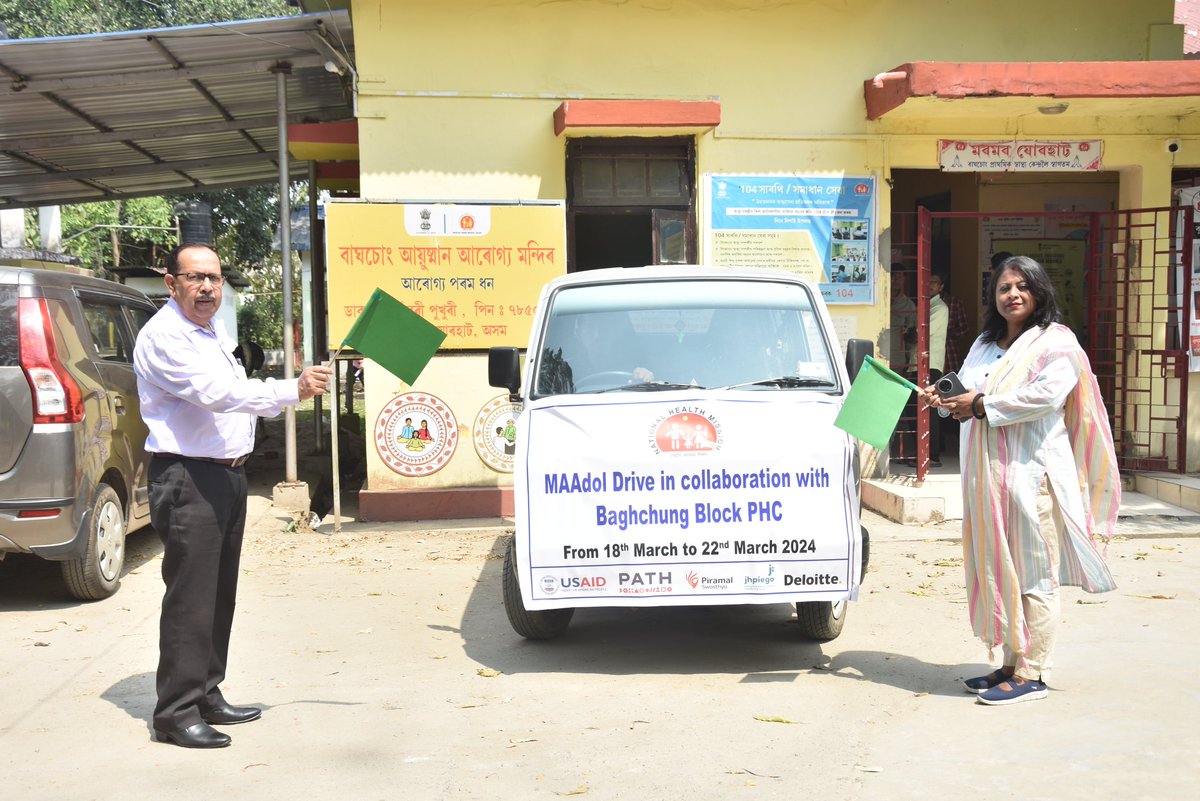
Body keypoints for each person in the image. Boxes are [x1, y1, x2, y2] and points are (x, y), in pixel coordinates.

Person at [133, 243, 331, 748]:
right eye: (195, 278)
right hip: (188, 478)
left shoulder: (209, 331)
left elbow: (230, 392)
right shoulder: (165, 337)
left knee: (218, 593)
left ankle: (205, 691)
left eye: (215, 279)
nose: (207, 288)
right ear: (170, 282)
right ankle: (174, 712)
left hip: (224, 476)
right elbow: (217, 394)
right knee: (190, 598)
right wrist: (294, 389)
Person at [922, 255, 1119, 706]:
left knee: (1034, 572)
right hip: (987, 480)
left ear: (1039, 291)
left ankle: (1034, 673)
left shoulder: (1057, 343)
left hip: (1032, 477)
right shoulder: (986, 343)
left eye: (1021, 286)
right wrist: (945, 397)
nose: (1012, 294)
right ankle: (1011, 664)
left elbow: (1045, 396)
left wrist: (981, 404)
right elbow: (968, 390)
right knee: (999, 569)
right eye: (1003, 288)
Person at [926, 273, 949, 466]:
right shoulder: (928, 305)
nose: (929, 285)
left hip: (931, 362)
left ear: (941, 287)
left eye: (934, 282)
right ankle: (928, 453)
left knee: (931, 409)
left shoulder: (939, 307)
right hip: (922, 360)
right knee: (924, 408)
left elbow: (922, 331)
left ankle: (932, 455)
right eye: (927, 282)